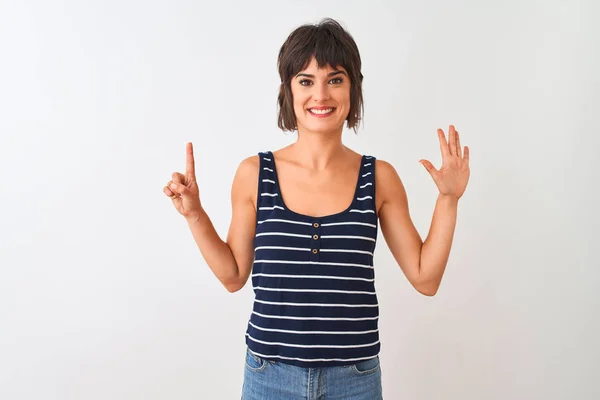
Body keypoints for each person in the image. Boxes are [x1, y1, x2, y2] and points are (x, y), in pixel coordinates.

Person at [163, 18, 470, 400]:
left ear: (353, 89)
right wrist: (194, 214)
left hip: (354, 380)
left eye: (335, 79)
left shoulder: (379, 178)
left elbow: (426, 278)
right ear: (288, 91)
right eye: (306, 81)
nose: (320, 94)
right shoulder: (255, 174)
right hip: (270, 376)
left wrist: (448, 199)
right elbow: (233, 275)